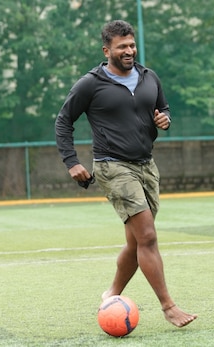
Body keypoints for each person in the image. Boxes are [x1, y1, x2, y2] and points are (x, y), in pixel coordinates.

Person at [55, 20, 197, 328]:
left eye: (131, 45)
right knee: (147, 236)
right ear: (107, 50)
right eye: (122, 47)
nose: (129, 51)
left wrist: (165, 120)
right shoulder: (90, 84)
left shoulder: (149, 77)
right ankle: (169, 306)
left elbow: (164, 109)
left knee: (136, 243)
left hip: (146, 165)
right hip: (112, 166)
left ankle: (111, 294)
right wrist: (72, 161)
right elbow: (64, 121)